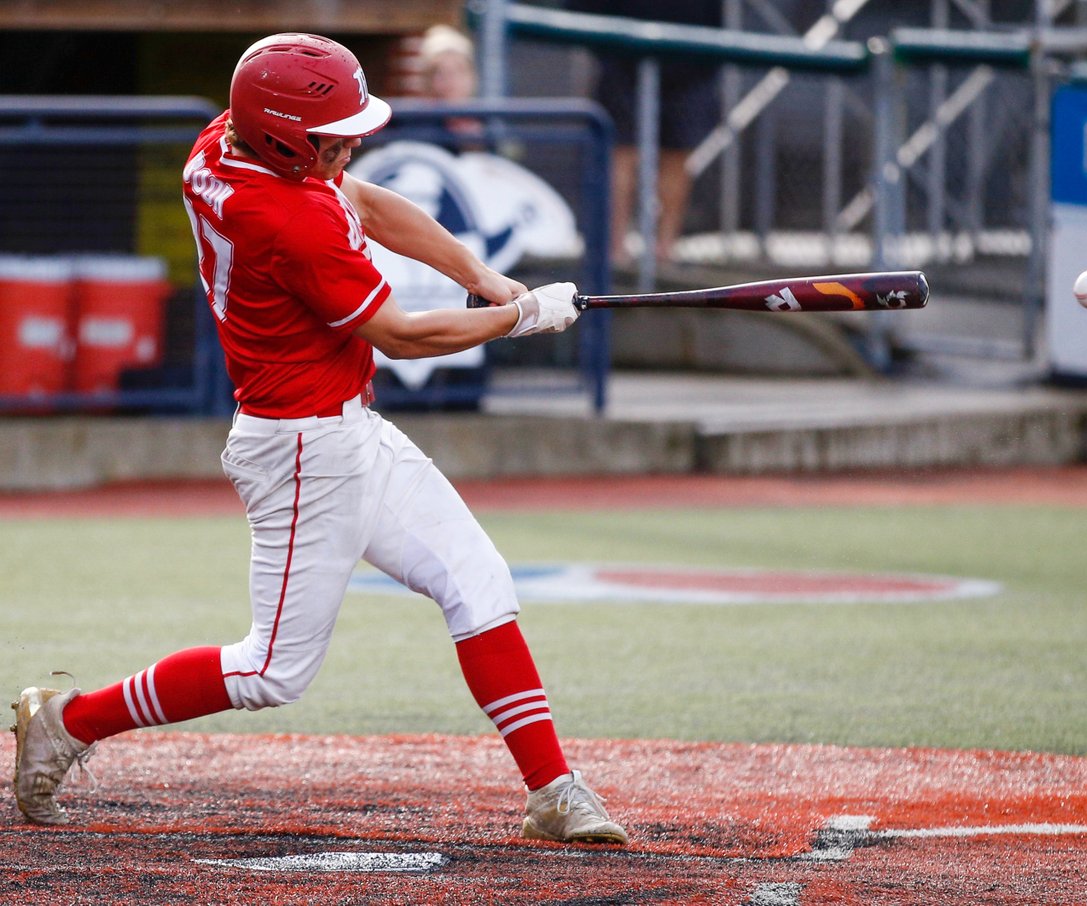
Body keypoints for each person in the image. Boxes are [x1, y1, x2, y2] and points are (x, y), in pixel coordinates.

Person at [11, 32, 627, 847]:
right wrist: (521, 317)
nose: (347, 147)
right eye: (331, 136)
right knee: (272, 671)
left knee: (479, 579)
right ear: (281, 136)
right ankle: (65, 722)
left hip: (347, 429)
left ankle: (553, 790)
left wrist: (481, 278)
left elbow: (366, 202)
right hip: (302, 449)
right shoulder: (285, 217)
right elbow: (402, 337)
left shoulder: (226, 143)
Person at [568, 0, 723, 265]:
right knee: (621, 154)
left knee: (676, 157)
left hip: (690, 64)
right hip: (621, 60)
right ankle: (615, 250)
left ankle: (663, 251)